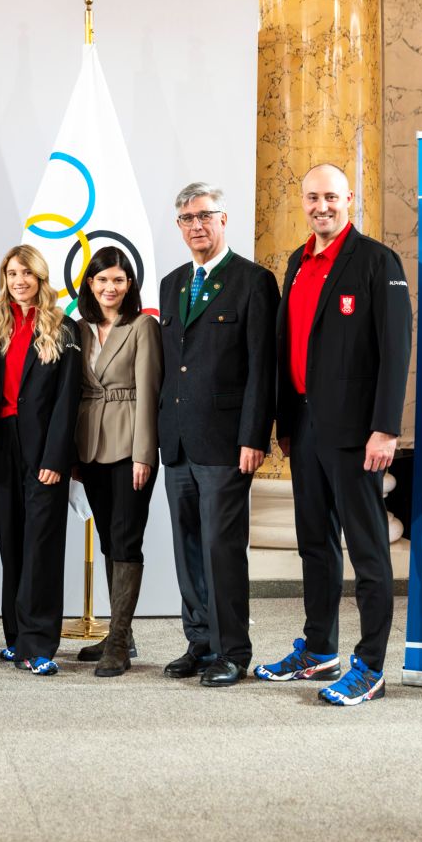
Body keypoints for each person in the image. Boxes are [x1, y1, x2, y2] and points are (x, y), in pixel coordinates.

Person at [254, 163, 411, 706]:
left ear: (349, 200)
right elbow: (289, 345)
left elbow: (395, 349)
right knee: (315, 546)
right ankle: (319, 649)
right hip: (304, 428)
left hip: (356, 434)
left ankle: (371, 667)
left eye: (331, 197)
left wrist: (385, 429)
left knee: (366, 551)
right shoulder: (297, 262)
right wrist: (284, 421)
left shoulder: (376, 261)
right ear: (303, 202)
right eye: (312, 197)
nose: (321, 206)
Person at [157, 182, 278, 688]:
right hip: (178, 441)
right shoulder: (171, 284)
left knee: (221, 549)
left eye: (205, 215)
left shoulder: (253, 281)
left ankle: (232, 650)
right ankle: (200, 642)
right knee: (187, 548)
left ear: (224, 219)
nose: (197, 225)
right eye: (187, 218)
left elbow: (263, 368)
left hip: (227, 442)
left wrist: (254, 436)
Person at [0, 245, 80, 677]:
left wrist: (56, 457)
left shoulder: (63, 327)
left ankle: (38, 644)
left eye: (27, 273)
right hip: (1, 445)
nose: (19, 281)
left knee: (41, 545)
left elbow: (67, 399)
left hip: (43, 449)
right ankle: (15, 637)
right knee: (11, 541)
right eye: (12, 273)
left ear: (41, 278)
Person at [71, 246, 163, 678]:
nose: (110, 287)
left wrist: (145, 453)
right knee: (109, 539)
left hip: (129, 446)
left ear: (130, 285)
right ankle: (118, 633)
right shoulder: (79, 328)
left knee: (126, 541)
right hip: (90, 445)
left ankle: (120, 642)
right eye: (103, 279)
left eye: (119, 280)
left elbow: (149, 391)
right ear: (90, 284)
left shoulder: (143, 326)